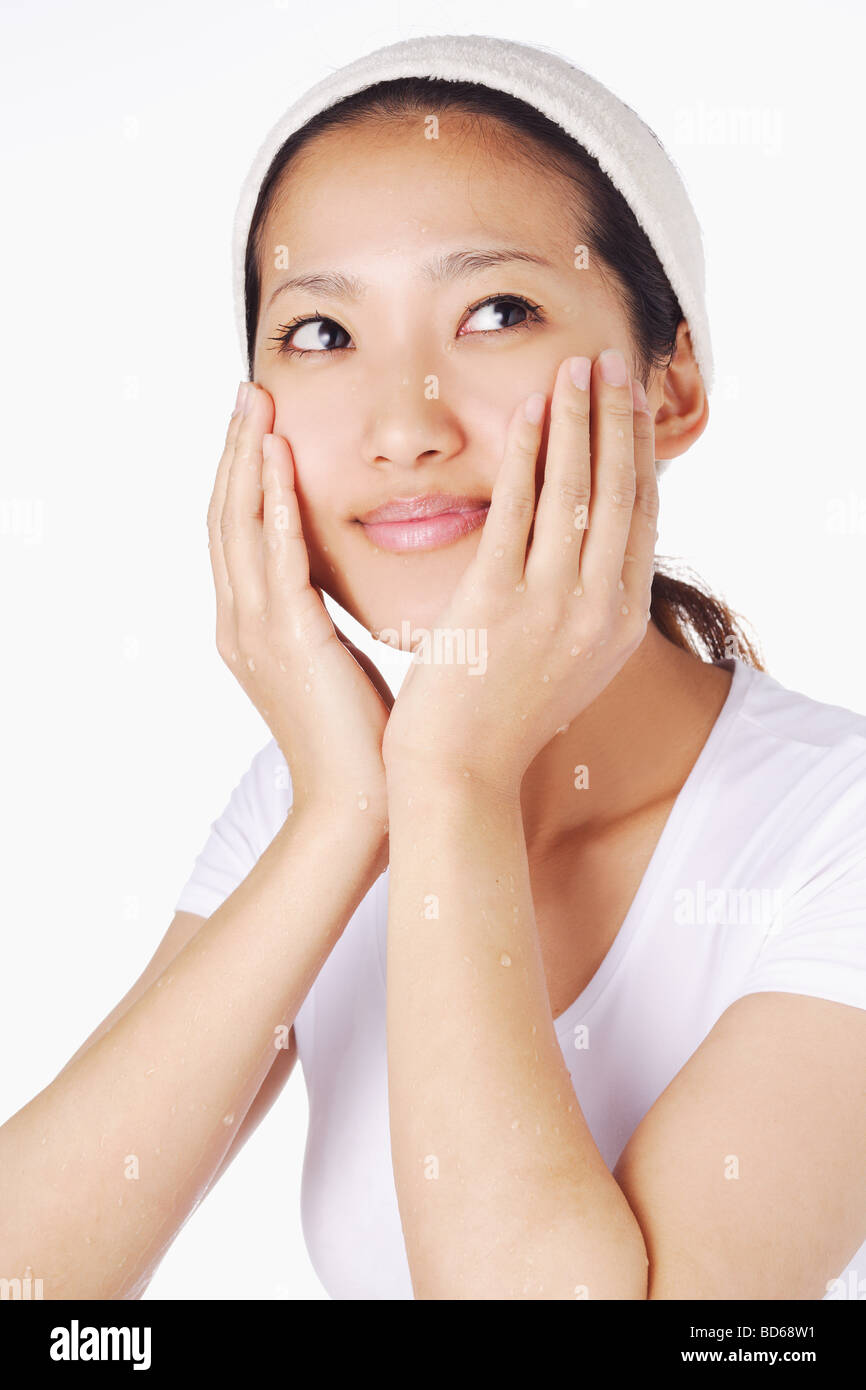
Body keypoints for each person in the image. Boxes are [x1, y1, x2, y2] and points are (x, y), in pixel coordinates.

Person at [2, 34, 864, 1301]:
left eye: (496, 311)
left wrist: (452, 775)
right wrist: (346, 814)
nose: (403, 425)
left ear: (669, 386)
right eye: (319, 331)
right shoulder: (322, 798)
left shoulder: (830, 833)